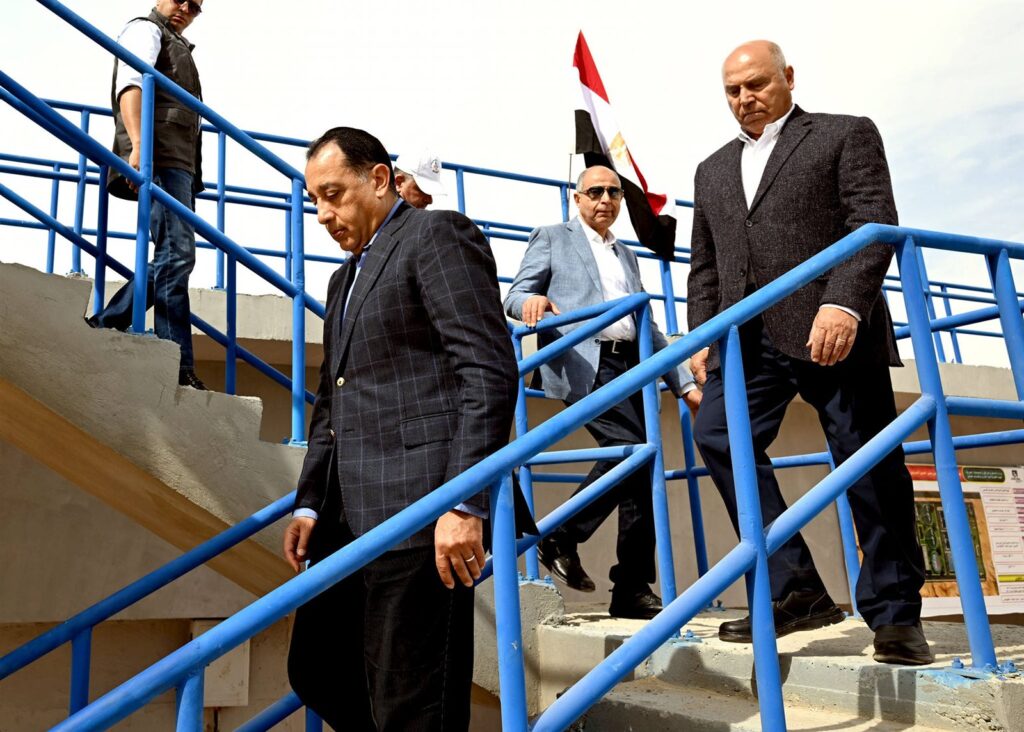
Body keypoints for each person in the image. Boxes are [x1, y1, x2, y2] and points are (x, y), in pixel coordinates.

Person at [687, 40, 932, 665]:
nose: (746, 98)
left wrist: (844, 302)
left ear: (788, 77)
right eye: (734, 90)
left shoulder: (844, 134)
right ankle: (795, 586)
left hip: (833, 329)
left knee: (869, 466)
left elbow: (873, 223)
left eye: (757, 84)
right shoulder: (712, 170)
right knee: (717, 435)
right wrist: (702, 338)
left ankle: (896, 615)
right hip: (747, 340)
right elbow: (706, 267)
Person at [283, 127, 518, 730]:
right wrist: (309, 502)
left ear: (380, 179)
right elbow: (333, 398)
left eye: (333, 194)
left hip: (421, 512)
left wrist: (464, 502)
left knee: (412, 704)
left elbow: (487, 371)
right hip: (346, 517)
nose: (323, 214)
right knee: (317, 669)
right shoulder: (342, 280)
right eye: (314, 201)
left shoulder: (435, 236)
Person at [504, 165, 700, 620]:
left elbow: (647, 324)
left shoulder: (626, 254)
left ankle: (631, 587)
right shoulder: (552, 237)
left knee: (642, 464)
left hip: (631, 364)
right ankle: (561, 535)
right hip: (585, 363)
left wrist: (684, 383)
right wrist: (531, 302)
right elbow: (515, 295)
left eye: (614, 192)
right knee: (627, 448)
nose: (605, 200)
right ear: (576, 198)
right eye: (595, 191)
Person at [86, 0, 207, 390]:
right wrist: (139, 146)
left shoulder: (175, 42)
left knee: (176, 256)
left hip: (178, 162)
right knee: (177, 254)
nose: (186, 8)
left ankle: (166, 354)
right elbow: (132, 84)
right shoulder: (145, 29)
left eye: (196, 6)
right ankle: (175, 361)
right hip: (160, 156)